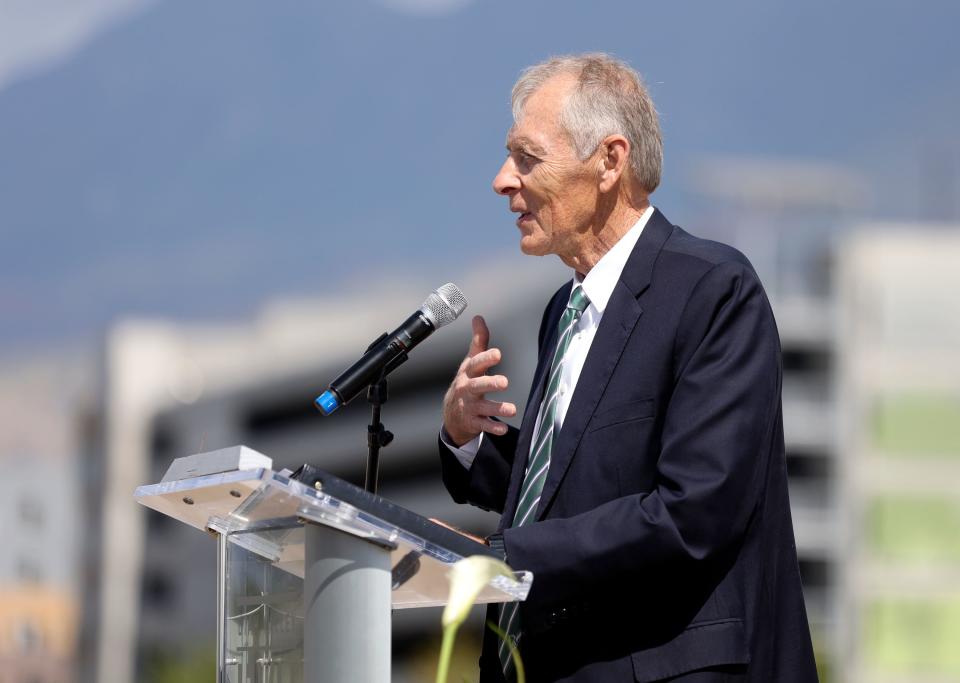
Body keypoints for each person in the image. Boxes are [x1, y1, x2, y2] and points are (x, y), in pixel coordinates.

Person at [438, 53, 818, 683]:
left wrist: (500, 555)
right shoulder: (564, 308)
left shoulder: (713, 290)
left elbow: (692, 512)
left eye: (527, 157)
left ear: (610, 161)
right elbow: (569, 489)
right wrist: (467, 438)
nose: (503, 180)